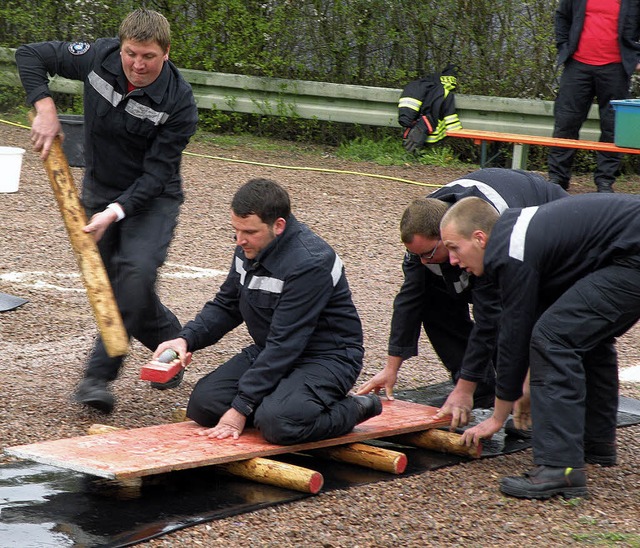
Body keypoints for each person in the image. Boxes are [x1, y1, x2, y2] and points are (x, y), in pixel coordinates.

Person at [16, 9, 199, 413]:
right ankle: (171, 339)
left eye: (148, 56)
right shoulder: (97, 57)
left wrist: (114, 213)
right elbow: (29, 54)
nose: (137, 64)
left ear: (166, 53)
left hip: (152, 201)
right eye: (131, 53)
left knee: (132, 274)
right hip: (99, 190)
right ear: (120, 47)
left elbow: (155, 177)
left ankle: (98, 378)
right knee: (124, 283)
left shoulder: (179, 103)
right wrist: (44, 105)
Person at [439, 193, 640, 499]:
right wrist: (523, 388)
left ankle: (559, 469)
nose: (452, 260)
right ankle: (595, 444)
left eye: (455, 248)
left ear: (479, 238)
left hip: (633, 256)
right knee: (583, 334)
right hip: (629, 252)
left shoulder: (512, 253)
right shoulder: (519, 235)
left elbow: (514, 335)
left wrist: (497, 415)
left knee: (555, 337)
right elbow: (529, 319)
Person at [154, 178, 382, 444]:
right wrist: (185, 338)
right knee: (204, 404)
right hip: (272, 349)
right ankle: (284, 402)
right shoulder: (249, 249)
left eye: (249, 232)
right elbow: (227, 305)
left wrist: (240, 409)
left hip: (326, 357)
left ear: (279, 226)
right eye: (236, 231)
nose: (240, 240)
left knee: (279, 424)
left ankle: (358, 407)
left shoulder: (310, 262)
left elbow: (286, 342)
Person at [357, 168, 568, 413]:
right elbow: (410, 300)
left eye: (427, 254)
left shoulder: (486, 233)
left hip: (541, 211)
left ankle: (529, 395)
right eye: (417, 255)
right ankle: (480, 389)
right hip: (475, 234)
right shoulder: (425, 227)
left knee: (521, 320)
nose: (423, 261)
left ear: (445, 236)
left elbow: (490, 318)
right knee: (432, 299)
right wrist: (391, 368)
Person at [547, 0, 640, 193]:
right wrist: (563, 46)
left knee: (613, 126)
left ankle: (605, 181)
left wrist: (635, 58)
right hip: (577, 66)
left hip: (616, 68)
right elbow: (562, 17)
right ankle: (558, 180)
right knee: (566, 121)